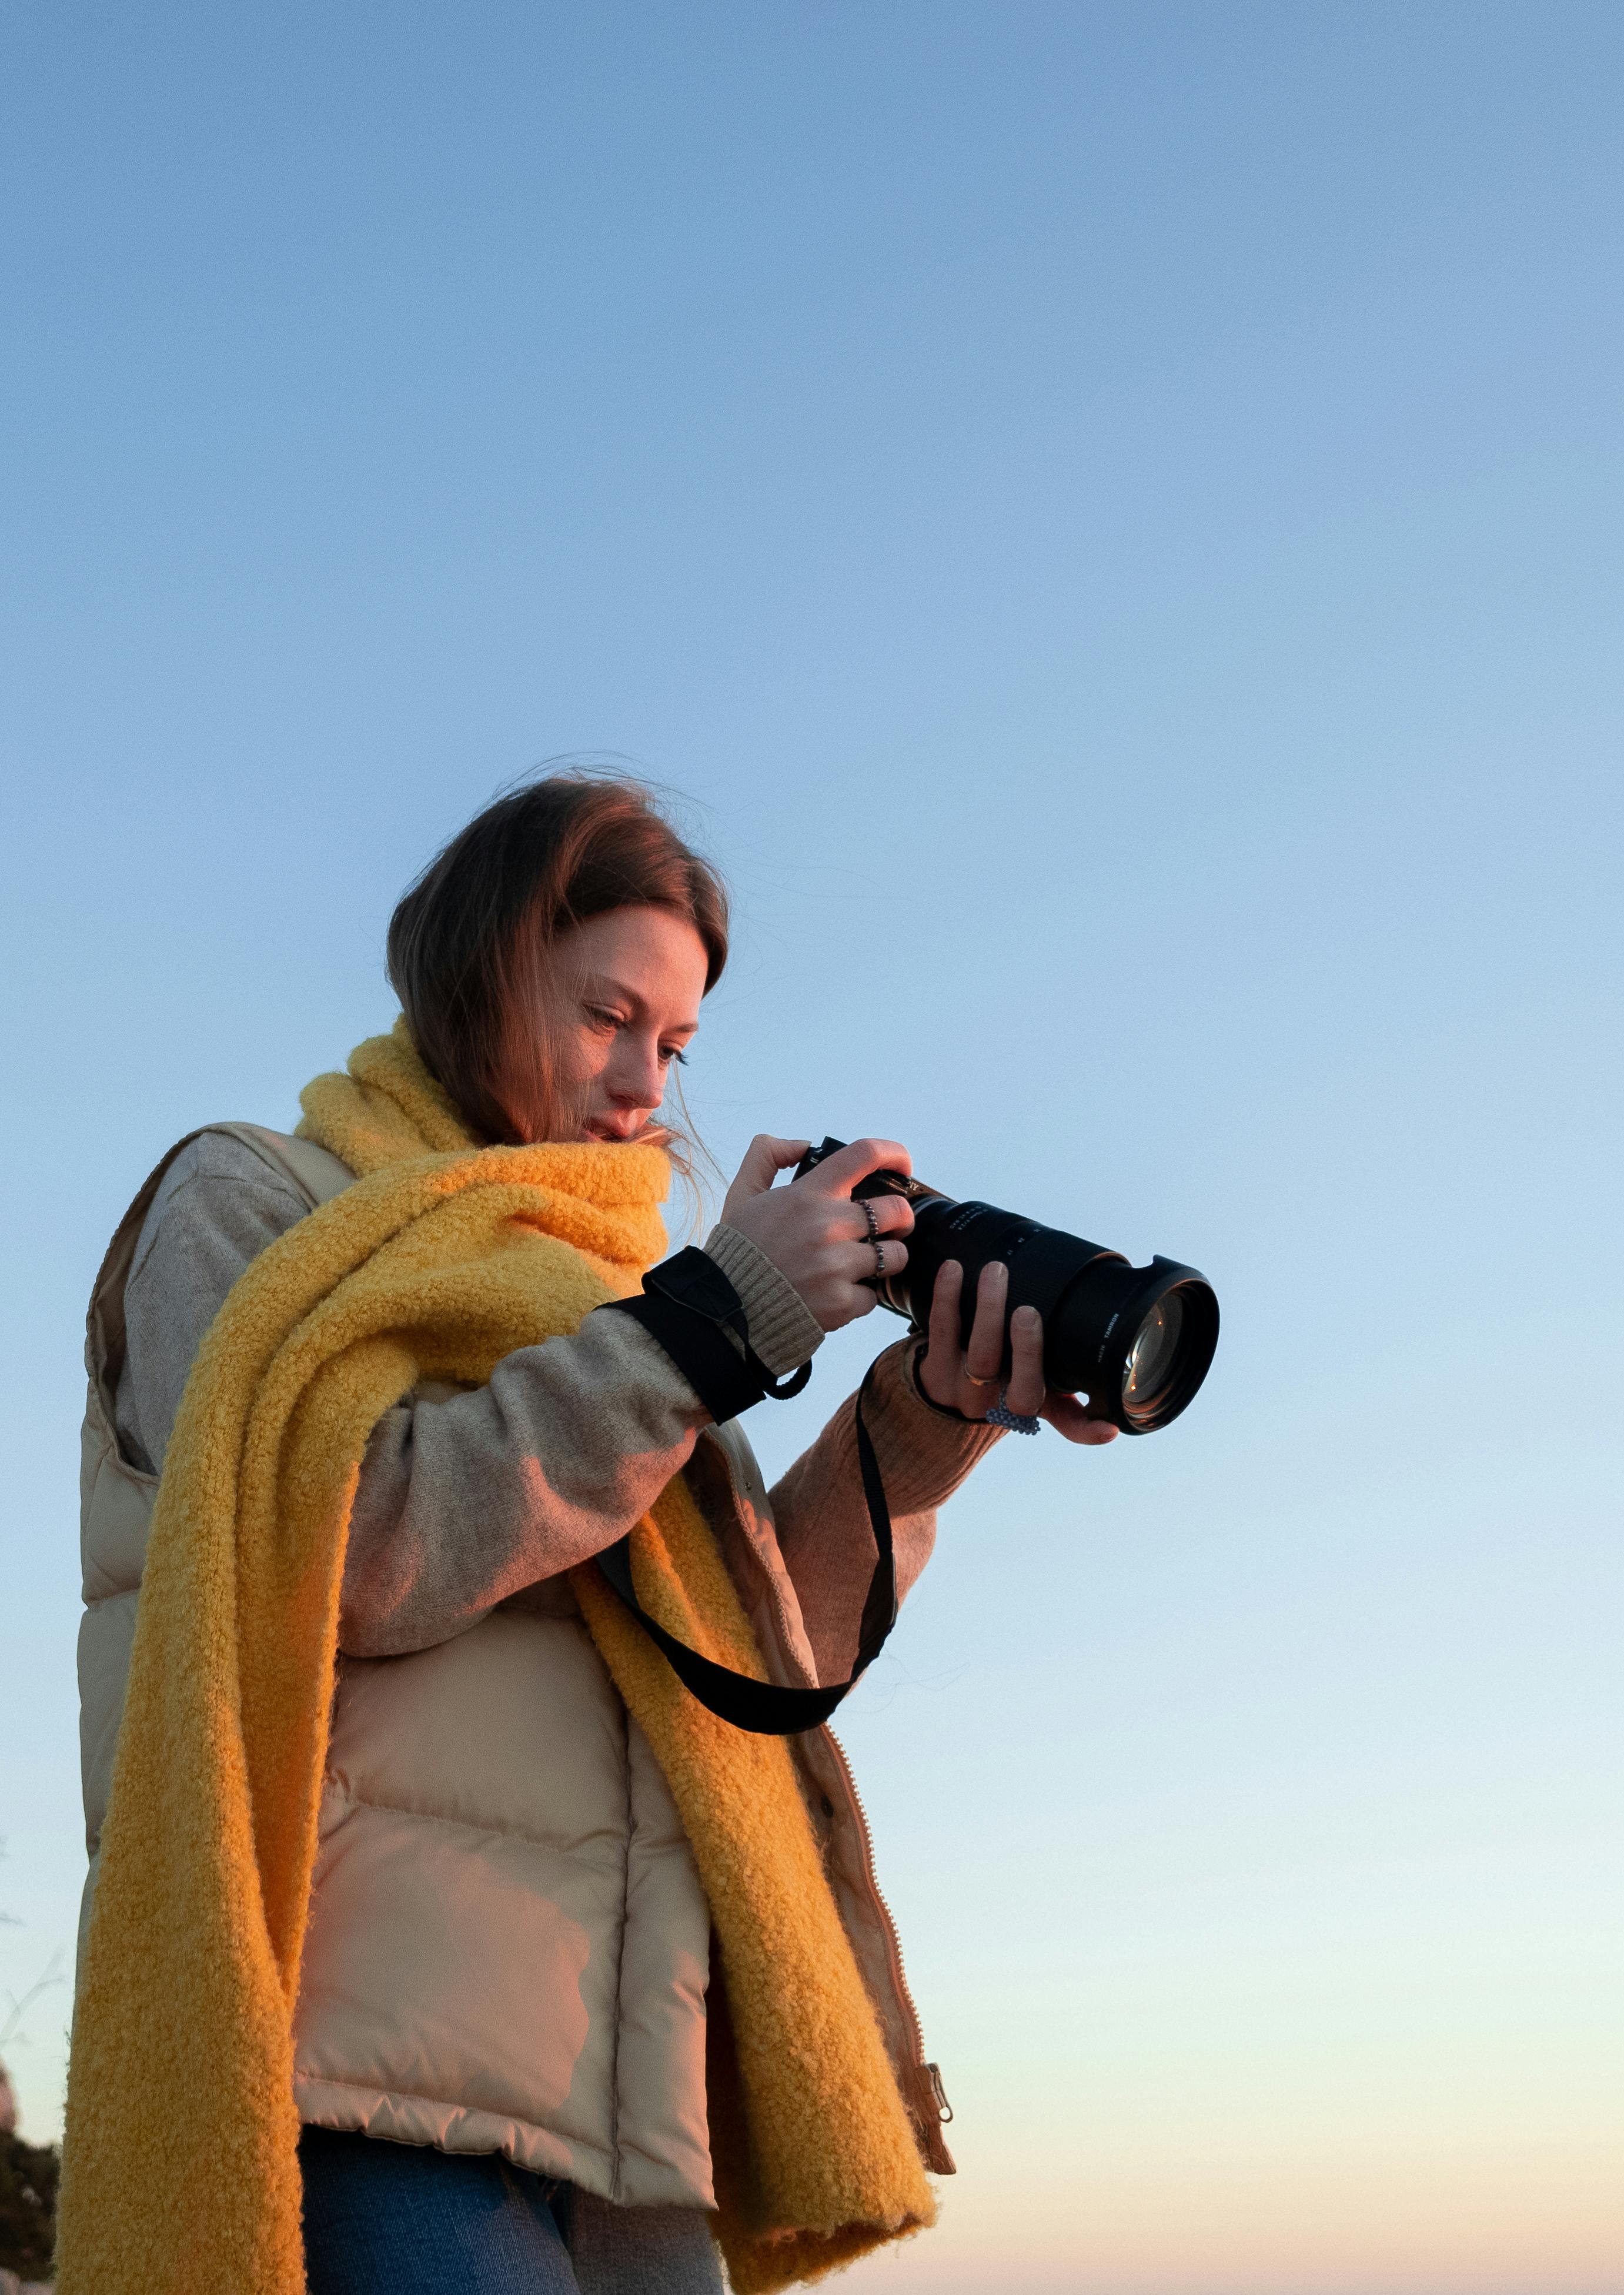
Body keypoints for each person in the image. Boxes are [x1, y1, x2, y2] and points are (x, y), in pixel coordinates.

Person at [62, 777, 1113, 2295]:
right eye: (609, 1016)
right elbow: (343, 1547)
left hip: (628, 2118)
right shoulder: (252, 1201)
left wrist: (924, 1418)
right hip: (366, 2089)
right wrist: (707, 1325)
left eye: (676, 1043)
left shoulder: (616, 1312)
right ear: (486, 972)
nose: (645, 1084)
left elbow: (749, 1670)